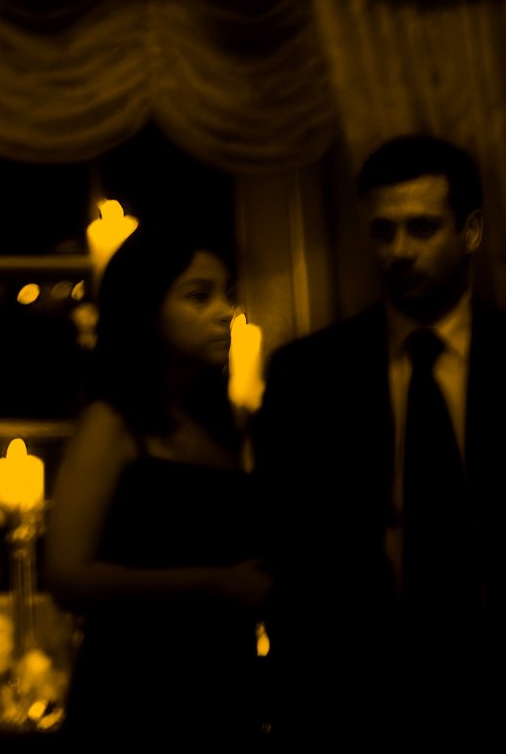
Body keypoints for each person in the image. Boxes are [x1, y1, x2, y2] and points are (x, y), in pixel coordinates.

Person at [260, 132, 501, 741]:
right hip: (352, 695)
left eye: (422, 228)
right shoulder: (308, 375)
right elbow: (286, 543)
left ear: (469, 232)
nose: (398, 251)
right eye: (382, 231)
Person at [46, 227, 268, 746]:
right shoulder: (112, 421)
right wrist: (211, 584)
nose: (224, 312)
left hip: (217, 684)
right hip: (136, 689)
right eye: (199, 296)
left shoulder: (219, 422)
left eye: (228, 294)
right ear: (146, 309)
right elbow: (66, 577)